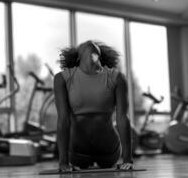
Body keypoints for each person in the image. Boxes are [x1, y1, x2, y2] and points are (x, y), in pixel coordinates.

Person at [54, 40, 133, 171]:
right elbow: (63, 120)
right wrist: (63, 163)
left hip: (109, 152)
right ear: (79, 57)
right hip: (76, 153)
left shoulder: (116, 77)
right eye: (84, 46)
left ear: (99, 56)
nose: (90, 42)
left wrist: (127, 160)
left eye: (94, 48)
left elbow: (122, 118)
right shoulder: (62, 78)